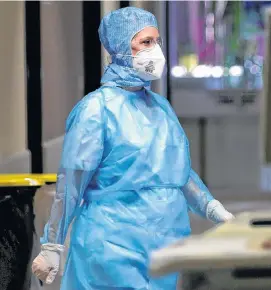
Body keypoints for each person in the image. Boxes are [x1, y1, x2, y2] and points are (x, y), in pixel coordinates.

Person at [32, 7, 234, 290]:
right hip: (112, 246)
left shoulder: (160, 107)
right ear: (119, 47)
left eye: (157, 42)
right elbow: (72, 184)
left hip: (167, 243)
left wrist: (211, 207)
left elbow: (177, 171)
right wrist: (52, 244)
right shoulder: (96, 110)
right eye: (146, 42)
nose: (156, 51)